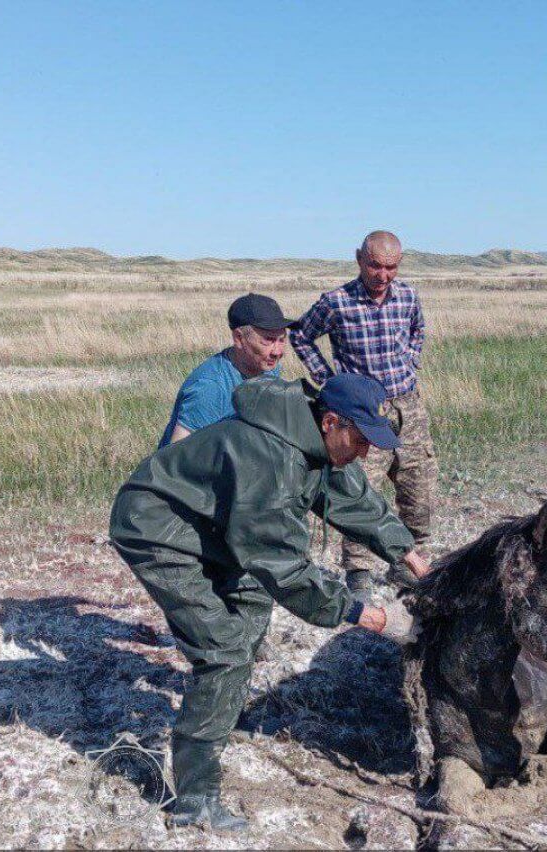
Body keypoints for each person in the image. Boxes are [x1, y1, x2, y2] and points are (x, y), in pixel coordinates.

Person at [110, 372, 431, 832]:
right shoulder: (272, 457)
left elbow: (353, 498)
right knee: (223, 651)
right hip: (157, 528)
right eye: (360, 440)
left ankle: (221, 709)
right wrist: (364, 614)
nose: (365, 453)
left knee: (251, 604)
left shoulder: (317, 440)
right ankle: (194, 800)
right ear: (331, 422)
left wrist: (410, 556)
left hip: (212, 526)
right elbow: (281, 566)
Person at [290, 230, 438, 602]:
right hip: (363, 414)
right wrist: (330, 381)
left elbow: (418, 329)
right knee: (359, 491)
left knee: (418, 488)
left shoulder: (407, 296)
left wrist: (411, 360)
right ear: (359, 259)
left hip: (409, 405)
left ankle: (410, 562)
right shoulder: (337, 302)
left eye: (391, 267)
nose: (383, 274)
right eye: (375, 265)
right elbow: (301, 336)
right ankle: (358, 573)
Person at [158, 293, 291, 448]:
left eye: (281, 340)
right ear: (239, 338)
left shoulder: (267, 366)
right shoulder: (210, 388)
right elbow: (174, 460)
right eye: (268, 340)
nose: (277, 352)